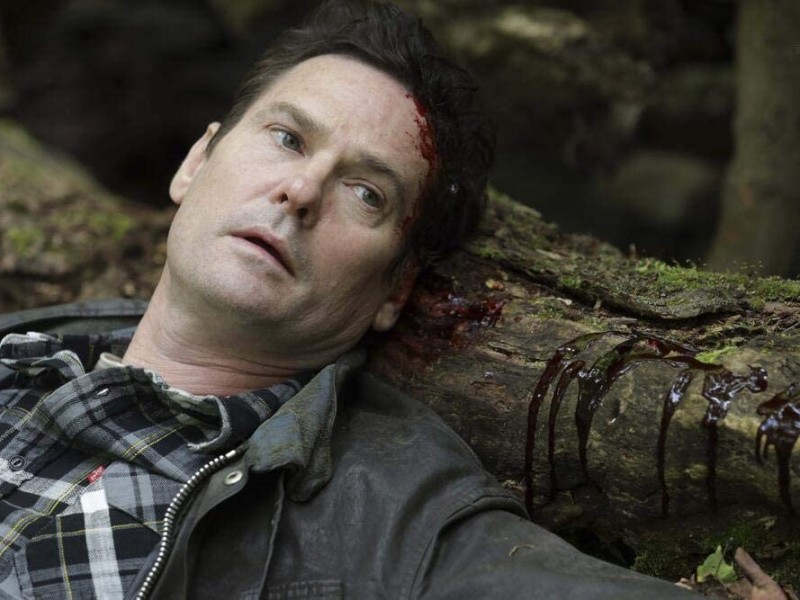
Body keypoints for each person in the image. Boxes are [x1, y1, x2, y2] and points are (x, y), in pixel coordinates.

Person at [0, 1, 696, 598]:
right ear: (196, 162)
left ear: (395, 289)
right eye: (288, 138)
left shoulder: (390, 521)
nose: (301, 191)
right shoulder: (24, 358)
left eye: (366, 193)